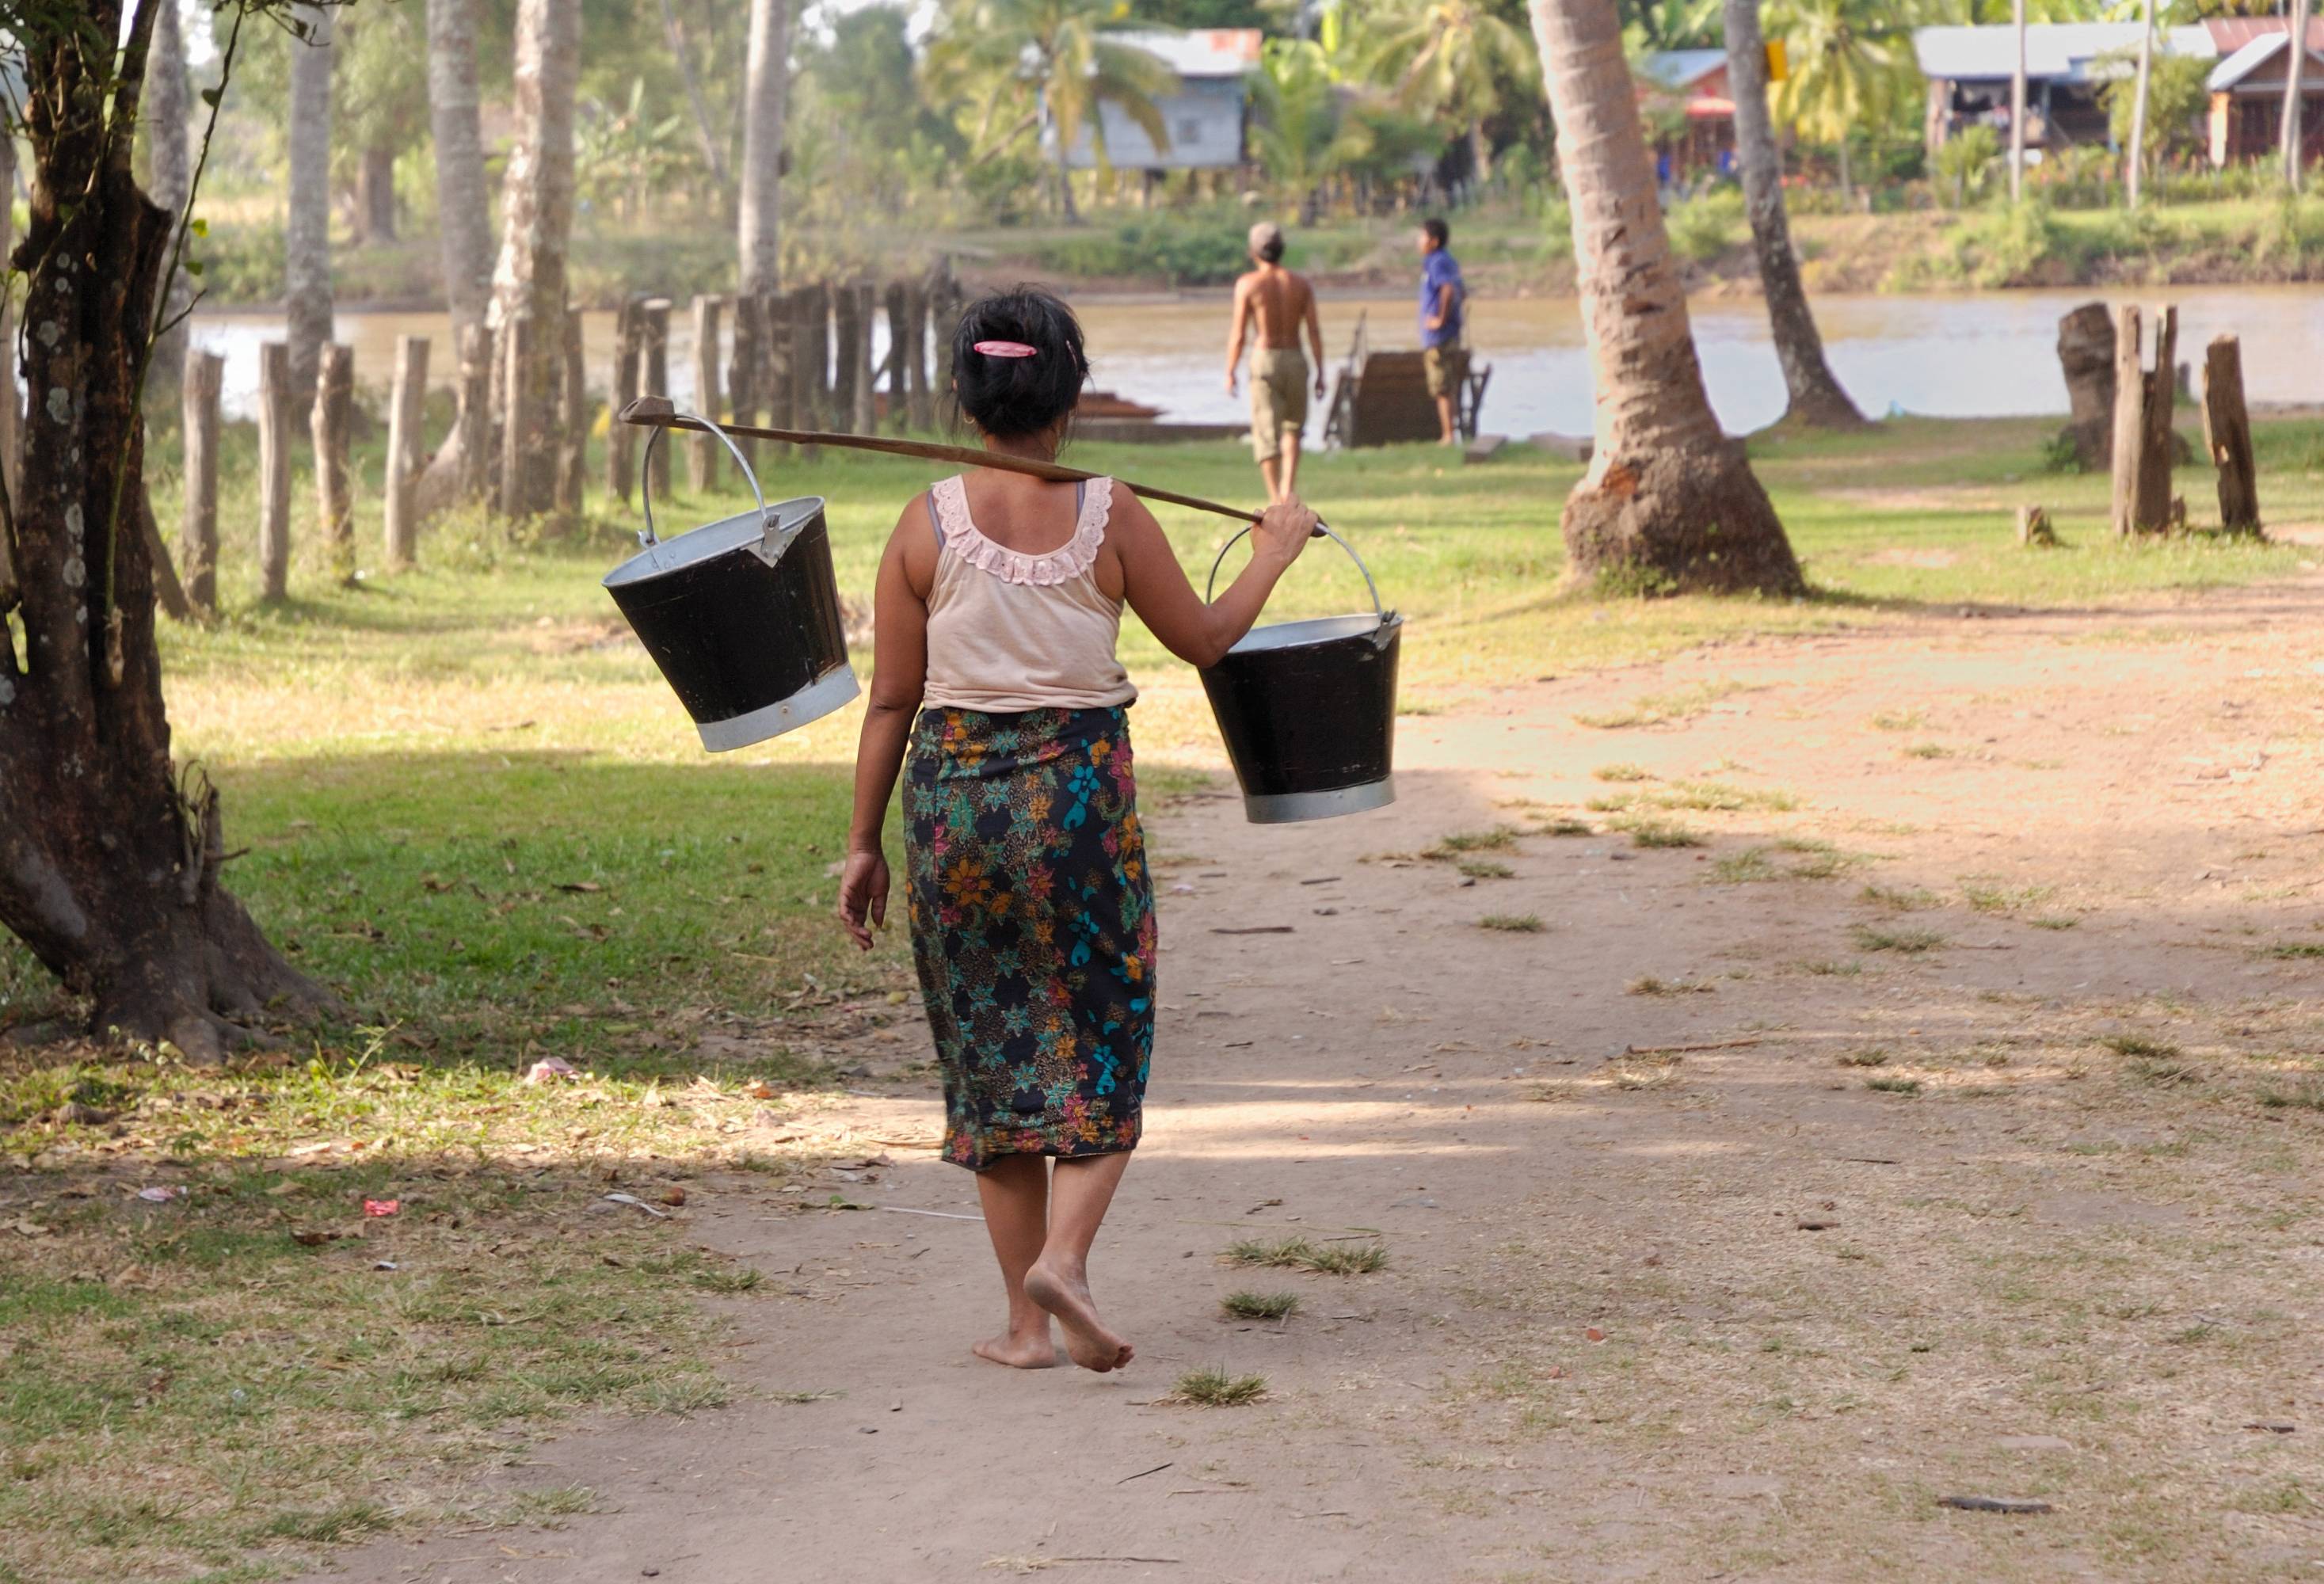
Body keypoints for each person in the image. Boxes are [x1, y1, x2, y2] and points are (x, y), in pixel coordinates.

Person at [836, 287, 1319, 1374]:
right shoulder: (1110, 513)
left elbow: (889, 701)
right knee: (1106, 1037)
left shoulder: (924, 523)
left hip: (953, 811)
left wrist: (864, 844)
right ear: (1069, 395)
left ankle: (1025, 1326)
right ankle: (1067, 1257)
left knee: (991, 1060)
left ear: (966, 400)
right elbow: (1201, 639)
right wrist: (1274, 549)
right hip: (1077, 812)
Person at [1225, 221, 1326, 505]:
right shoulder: (1300, 284)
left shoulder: (1248, 284)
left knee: (1266, 432)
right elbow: (1314, 332)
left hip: (1265, 357)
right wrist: (1320, 372)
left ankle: (1274, 497)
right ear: (1282, 250)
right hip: (1295, 357)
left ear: (1253, 252)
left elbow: (1238, 334)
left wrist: (1230, 371)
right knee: (1294, 428)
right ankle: (1287, 490)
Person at [1417, 216, 1467, 447]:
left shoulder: (1437, 262)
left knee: (1442, 387)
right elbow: (1461, 291)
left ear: (1434, 241)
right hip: (1448, 333)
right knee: (1447, 384)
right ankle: (1451, 433)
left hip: (1440, 335)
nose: (1419, 241)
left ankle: (1448, 436)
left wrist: (1440, 319)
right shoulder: (1446, 261)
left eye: (1422, 237)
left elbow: (1448, 289)